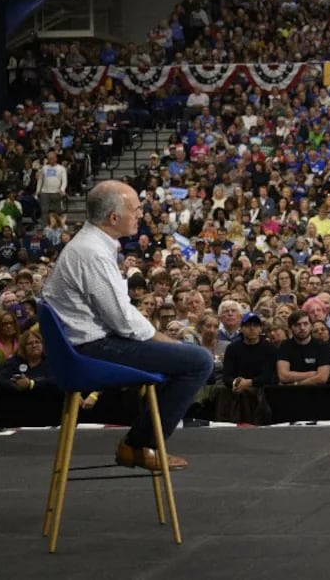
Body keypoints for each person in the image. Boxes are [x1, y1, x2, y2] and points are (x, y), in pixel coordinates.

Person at [42, 181, 213, 471]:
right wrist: (163, 339)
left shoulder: (91, 245)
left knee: (183, 358)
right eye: (135, 209)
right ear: (113, 217)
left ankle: (139, 442)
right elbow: (122, 321)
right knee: (198, 360)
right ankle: (138, 445)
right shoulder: (92, 253)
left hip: (83, 344)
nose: (140, 215)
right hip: (88, 351)